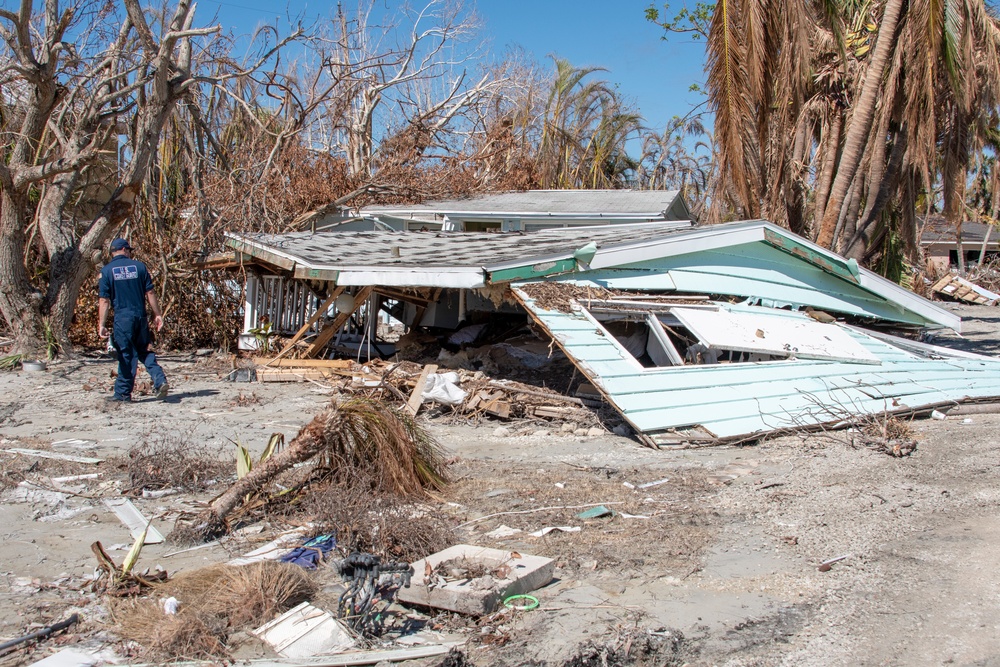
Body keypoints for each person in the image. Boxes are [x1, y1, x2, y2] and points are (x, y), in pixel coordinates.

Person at [97, 238, 169, 402]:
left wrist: (101, 324)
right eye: (129, 250)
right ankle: (160, 379)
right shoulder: (139, 267)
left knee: (126, 355)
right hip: (140, 316)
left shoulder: (107, 271)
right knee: (145, 351)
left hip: (123, 319)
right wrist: (158, 314)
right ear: (124, 249)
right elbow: (150, 293)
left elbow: (104, 300)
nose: (130, 252)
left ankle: (122, 394)